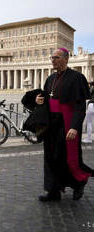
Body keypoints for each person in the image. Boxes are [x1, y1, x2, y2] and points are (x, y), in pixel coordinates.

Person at [36, 48, 94, 201]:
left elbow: (80, 106)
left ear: (66, 59)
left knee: (67, 157)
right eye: (52, 57)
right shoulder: (50, 79)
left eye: (56, 57)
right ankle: (53, 191)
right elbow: (45, 98)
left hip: (66, 122)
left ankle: (79, 182)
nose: (53, 60)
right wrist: (38, 100)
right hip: (52, 123)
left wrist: (75, 126)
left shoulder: (77, 78)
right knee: (50, 157)